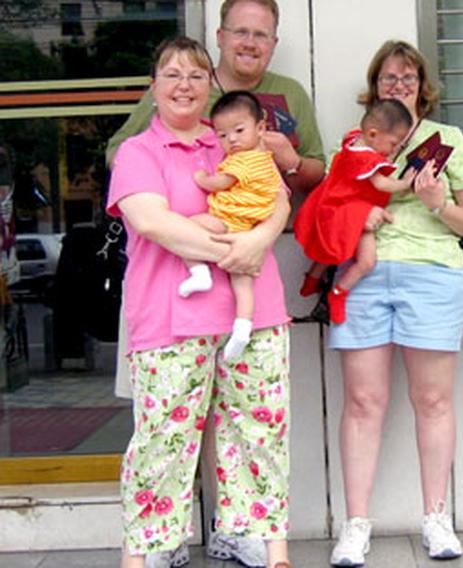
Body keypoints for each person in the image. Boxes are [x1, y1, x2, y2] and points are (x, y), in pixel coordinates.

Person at [105, 2, 324, 565]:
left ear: (210, 85)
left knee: (260, 431)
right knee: (163, 442)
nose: (184, 85)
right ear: (153, 87)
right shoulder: (138, 151)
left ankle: (261, 541)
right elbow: (155, 224)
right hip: (170, 317)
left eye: (196, 76)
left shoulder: (230, 140)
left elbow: (277, 197)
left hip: (254, 314)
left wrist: (261, 241)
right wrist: (238, 250)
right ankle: (150, 548)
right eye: (172, 75)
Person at [327, 40, 463, 567]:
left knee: (434, 401)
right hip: (363, 276)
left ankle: (436, 518)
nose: (399, 85)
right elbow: (334, 204)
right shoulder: (357, 142)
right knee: (363, 403)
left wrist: (437, 203)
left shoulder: (448, 141)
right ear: (375, 87)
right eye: (388, 78)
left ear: (423, 86)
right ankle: (355, 527)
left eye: (408, 78)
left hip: (432, 274)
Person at [180, 90, 283, 361]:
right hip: (248, 230)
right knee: (243, 285)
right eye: (223, 135)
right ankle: (243, 328)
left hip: (228, 222)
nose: (232, 140)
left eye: (238, 130)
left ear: (260, 127)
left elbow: (221, 182)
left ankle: (199, 272)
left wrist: (202, 178)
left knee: (189, 228)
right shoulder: (267, 160)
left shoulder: (245, 159)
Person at [294, 99, 417, 325]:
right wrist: (407, 183)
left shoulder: (353, 140)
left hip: (332, 206)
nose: (394, 150)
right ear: (372, 134)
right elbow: (381, 184)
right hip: (353, 213)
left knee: (328, 249)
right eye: (393, 143)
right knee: (366, 262)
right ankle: (339, 293)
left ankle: (312, 278)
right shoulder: (365, 158)